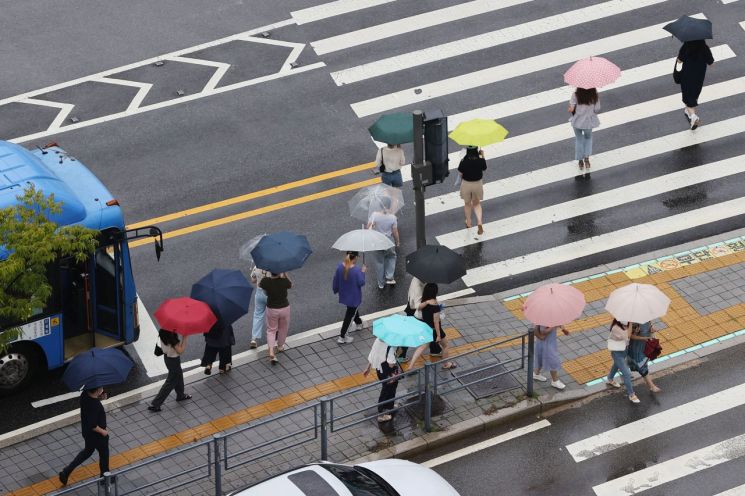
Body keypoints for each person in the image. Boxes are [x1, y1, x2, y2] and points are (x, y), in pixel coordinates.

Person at [59, 387, 109, 486]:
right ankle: (105, 477)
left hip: (87, 433)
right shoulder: (95, 405)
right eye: (101, 388)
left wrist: (99, 398)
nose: (102, 389)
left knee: (87, 451)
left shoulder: (85, 395)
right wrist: (103, 432)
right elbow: (93, 425)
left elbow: (89, 414)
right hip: (97, 435)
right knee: (104, 454)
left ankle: (66, 472)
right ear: (97, 390)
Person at [149, 329, 191, 412]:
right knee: (170, 382)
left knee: (178, 375)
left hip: (167, 358)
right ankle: (156, 404)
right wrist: (185, 338)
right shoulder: (171, 337)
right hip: (173, 360)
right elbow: (180, 351)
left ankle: (180, 395)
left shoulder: (163, 331)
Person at [677, 40, 714, 130]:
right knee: (694, 95)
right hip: (699, 77)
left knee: (688, 97)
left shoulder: (686, 46)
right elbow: (711, 63)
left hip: (687, 76)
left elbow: (679, 61)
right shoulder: (704, 48)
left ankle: (693, 117)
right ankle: (689, 112)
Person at [418, 283, 456, 369]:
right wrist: (438, 335)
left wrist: (427, 302)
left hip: (426, 328)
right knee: (445, 345)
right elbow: (436, 322)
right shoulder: (435, 306)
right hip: (434, 330)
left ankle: (412, 365)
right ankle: (446, 364)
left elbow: (418, 308)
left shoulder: (424, 302)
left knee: (422, 347)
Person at [362, 338, 400, 422]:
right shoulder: (390, 346)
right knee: (387, 390)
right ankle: (381, 413)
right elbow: (391, 363)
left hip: (379, 370)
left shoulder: (377, 340)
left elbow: (373, 354)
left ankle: (390, 405)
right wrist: (392, 374)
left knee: (388, 388)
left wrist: (367, 368)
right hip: (388, 372)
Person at [333, 251, 366, 344]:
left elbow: (335, 280)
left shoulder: (340, 267)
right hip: (354, 297)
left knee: (353, 311)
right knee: (350, 315)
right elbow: (361, 282)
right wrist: (363, 272)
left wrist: (335, 289)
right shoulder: (356, 270)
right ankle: (342, 336)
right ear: (355, 257)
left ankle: (359, 323)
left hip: (344, 294)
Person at [260, 271, 292, 364]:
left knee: (271, 330)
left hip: (272, 309)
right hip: (285, 308)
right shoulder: (284, 281)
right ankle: (280, 346)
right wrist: (285, 274)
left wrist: (266, 274)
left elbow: (261, 286)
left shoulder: (266, 281)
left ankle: (271, 351)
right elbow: (291, 284)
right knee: (283, 328)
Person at [605, 319, 640, 404]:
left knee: (616, 365)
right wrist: (631, 323)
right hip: (617, 353)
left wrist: (636, 331)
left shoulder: (626, 325)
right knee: (627, 374)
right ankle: (632, 395)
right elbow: (627, 336)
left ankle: (610, 379)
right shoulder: (615, 328)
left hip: (624, 350)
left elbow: (630, 337)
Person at [368, 201, 400, 289]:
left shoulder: (374, 215)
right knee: (391, 257)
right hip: (388, 241)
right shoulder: (393, 218)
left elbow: (368, 227)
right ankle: (389, 277)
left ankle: (381, 283)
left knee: (379, 262)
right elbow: (395, 232)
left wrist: (373, 225)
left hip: (377, 241)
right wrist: (397, 242)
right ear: (389, 206)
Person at [568, 87, 601, 173]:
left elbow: (571, 108)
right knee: (588, 138)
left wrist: (571, 109)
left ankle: (580, 162)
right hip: (588, 122)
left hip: (577, 121)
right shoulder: (594, 95)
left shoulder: (576, 94)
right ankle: (587, 160)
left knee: (579, 139)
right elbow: (597, 109)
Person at [457, 146, 487, 234]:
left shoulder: (464, 161)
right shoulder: (480, 160)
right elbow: (484, 168)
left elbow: (460, 173)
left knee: (467, 204)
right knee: (477, 204)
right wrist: (482, 156)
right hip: (477, 184)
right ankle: (479, 222)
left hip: (466, 184)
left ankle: (469, 222)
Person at [627, 322, 662, 393]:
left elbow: (649, 323)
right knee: (642, 366)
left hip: (644, 344)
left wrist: (651, 327)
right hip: (636, 346)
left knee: (622, 361)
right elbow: (629, 335)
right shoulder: (631, 319)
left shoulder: (645, 313)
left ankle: (616, 373)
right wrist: (642, 337)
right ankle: (652, 386)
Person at [532, 325, 570, 390]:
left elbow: (560, 324)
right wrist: (553, 326)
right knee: (553, 361)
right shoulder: (544, 319)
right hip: (546, 344)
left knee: (540, 358)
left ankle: (536, 374)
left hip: (547, 342)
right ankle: (555, 381)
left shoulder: (553, 318)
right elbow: (543, 331)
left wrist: (564, 330)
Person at [399, 277, 425, 363]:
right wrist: (429, 302)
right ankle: (401, 354)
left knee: (408, 332)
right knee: (410, 333)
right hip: (415, 311)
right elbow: (417, 305)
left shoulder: (415, 278)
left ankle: (435, 348)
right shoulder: (418, 286)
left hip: (410, 307)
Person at [249, 266, 270, 349]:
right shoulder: (273, 266)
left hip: (259, 292)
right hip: (270, 293)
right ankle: (272, 337)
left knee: (258, 315)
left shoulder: (256, 266)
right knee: (272, 315)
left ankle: (253, 339)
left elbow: (253, 280)